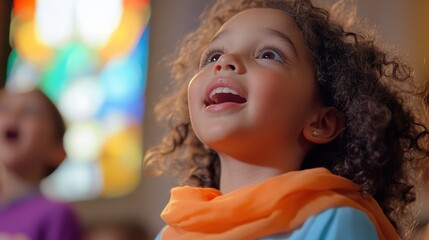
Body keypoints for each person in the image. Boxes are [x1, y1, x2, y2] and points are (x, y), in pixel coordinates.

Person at [144, 0, 429, 239]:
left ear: (322, 122)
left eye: (268, 54)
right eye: (213, 55)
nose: (225, 61)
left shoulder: (335, 223)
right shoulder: (173, 232)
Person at [0, 87, 82, 240]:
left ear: (57, 151)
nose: (14, 114)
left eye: (30, 111)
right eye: (5, 108)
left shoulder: (56, 214)